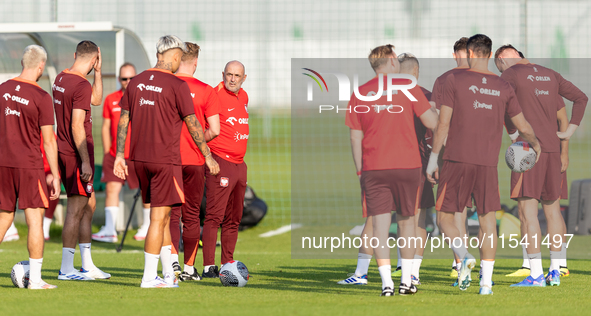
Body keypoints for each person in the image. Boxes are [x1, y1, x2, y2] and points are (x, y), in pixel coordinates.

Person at [426, 34, 541, 295]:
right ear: (489, 55)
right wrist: (535, 144)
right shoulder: (503, 86)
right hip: (488, 165)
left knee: (444, 217)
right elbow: (521, 125)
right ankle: (486, 284)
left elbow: (442, 124)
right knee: (489, 221)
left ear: (469, 53)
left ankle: (463, 255)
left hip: (456, 161)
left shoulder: (454, 79)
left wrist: (433, 160)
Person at [114, 35, 219, 288]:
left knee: (159, 216)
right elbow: (193, 124)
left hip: (139, 160)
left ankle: (167, 275)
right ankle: (149, 277)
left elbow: (123, 120)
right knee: (159, 220)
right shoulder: (176, 84)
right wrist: (207, 156)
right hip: (165, 161)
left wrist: (119, 155)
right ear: (173, 56)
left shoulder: (136, 82)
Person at [338, 44, 438, 296]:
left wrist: (361, 172)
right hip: (408, 166)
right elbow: (431, 123)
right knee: (407, 224)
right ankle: (407, 280)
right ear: (392, 61)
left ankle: (386, 284)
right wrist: (438, 113)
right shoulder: (409, 87)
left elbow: (354, 138)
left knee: (380, 228)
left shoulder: (360, 92)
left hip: (374, 169)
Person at [495, 44, 587, 286]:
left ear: (503, 59)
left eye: (498, 66)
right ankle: (556, 271)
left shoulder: (510, 74)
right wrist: (570, 130)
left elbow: (503, 106)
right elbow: (581, 98)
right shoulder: (551, 74)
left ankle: (535, 274)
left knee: (528, 213)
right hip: (553, 150)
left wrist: (514, 135)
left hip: (528, 151)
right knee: (553, 211)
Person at [0, 45, 60, 289]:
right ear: (40, 66)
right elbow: (48, 140)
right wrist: (55, 174)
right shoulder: (42, 97)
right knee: (35, 219)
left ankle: (34, 278)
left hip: (2, 163)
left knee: (4, 216)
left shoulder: (2, 89)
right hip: (29, 165)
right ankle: (34, 279)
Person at [54, 40, 110, 281]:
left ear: (76, 54)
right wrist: (85, 162)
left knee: (89, 206)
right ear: (94, 59)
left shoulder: (61, 78)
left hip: (64, 151)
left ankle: (87, 265)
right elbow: (77, 124)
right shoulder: (79, 84)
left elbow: (95, 100)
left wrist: (98, 74)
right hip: (76, 155)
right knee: (75, 211)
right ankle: (66, 269)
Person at [170, 42, 221, 281]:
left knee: (170, 214)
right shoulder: (206, 90)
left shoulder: (166, 86)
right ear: (196, 63)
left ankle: (171, 265)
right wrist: (198, 141)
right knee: (191, 215)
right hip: (195, 159)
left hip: (169, 159)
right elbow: (215, 130)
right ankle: (189, 269)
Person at [201, 60, 249, 279]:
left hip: (240, 164)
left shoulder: (244, 96)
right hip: (220, 161)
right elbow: (203, 129)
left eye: (236, 76)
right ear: (223, 74)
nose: (232, 79)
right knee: (214, 216)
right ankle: (209, 266)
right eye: (229, 74)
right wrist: (208, 157)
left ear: (243, 78)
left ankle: (227, 263)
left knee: (234, 219)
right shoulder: (213, 95)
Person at [92, 62, 151, 243]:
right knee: (112, 189)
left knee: (145, 191)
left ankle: (147, 227)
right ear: (119, 79)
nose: (128, 81)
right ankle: (110, 230)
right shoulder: (111, 99)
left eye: (131, 78)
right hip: (115, 154)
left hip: (137, 154)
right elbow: (106, 126)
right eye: (124, 78)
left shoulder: (145, 99)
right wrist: (109, 151)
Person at [430, 37, 472, 279]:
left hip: (451, 154)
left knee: (447, 214)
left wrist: (437, 153)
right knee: (464, 213)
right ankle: (478, 271)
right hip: (481, 154)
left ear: (455, 54)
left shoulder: (444, 79)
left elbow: (435, 119)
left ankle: (460, 261)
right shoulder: (488, 80)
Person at [396, 52, 435, 285]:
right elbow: (434, 132)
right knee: (418, 219)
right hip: (418, 164)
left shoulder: (383, 95)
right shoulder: (425, 95)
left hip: (386, 165)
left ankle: (367, 271)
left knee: (385, 218)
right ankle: (413, 272)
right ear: (416, 72)